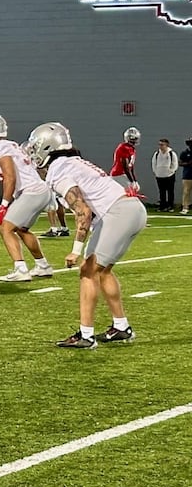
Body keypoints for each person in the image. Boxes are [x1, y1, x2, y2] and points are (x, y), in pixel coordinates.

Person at [26, 122, 147, 348]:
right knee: (103, 270)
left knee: (88, 271)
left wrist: (75, 251)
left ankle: (85, 335)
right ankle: (121, 327)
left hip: (118, 212)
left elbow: (84, 212)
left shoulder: (58, 170)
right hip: (132, 209)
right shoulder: (71, 162)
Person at [0, 114, 54, 283]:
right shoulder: (10, 145)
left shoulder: (0, 148)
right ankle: (43, 265)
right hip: (40, 190)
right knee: (21, 228)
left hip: (31, 191)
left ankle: (20, 269)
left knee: (6, 228)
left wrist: (4, 204)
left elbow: (10, 177)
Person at [112, 127, 140, 195]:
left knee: (132, 191)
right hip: (118, 175)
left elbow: (131, 167)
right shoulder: (123, 148)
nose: (134, 140)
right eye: (133, 139)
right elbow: (125, 166)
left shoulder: (132, 149)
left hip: (124, 174)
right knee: (129, 194)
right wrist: (132, 181)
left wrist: (135, 180)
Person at [151, 138, 177, 212]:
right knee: (161, 192)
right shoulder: (157, 154)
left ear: (167, 145)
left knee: (170, 191)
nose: (160, 146)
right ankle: (162, 206)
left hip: (169, 176)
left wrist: (171, 171)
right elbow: (154, 163)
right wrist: (156, 172)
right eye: (160, 145)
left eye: (162, 145)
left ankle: (170, 206)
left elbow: (175, 164)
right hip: (159, 175)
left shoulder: (171, 153)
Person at [181, 137, 192, 215]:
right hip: (187, 175)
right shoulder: (185, 153)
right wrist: (188, 163)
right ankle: (185, 207)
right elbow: (180, 163)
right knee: (186, 192)